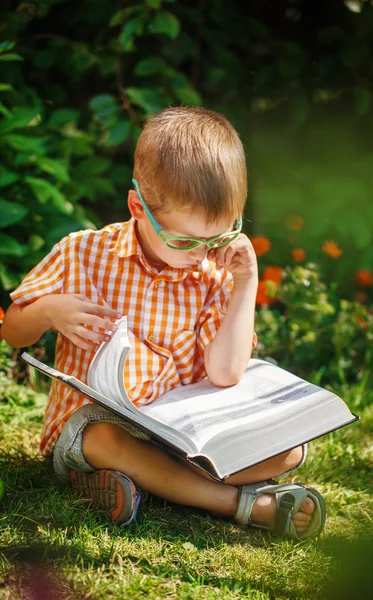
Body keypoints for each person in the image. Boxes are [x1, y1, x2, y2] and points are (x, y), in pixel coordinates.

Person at [1, 106, 325, 539]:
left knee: (289, 449)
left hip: (181, 437)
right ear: (138, 205)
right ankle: (243, 504)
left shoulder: (214, 274)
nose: (202, 253)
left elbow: (227, 372)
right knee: (105, 442)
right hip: (96, 428)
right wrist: (46, 311)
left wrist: (246, 282)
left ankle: (142, 485)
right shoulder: (82, 253)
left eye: (221, 237)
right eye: (186, 240)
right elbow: (12, 331)